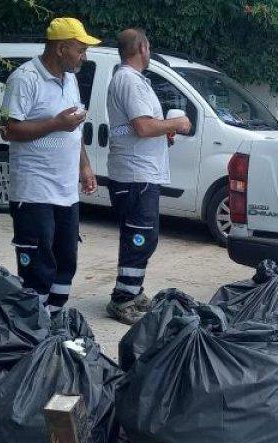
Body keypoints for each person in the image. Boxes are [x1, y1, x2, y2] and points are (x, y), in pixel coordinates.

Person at [0, 18, 100, 313]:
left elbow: (74, 130)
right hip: (34, 190)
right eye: (80, 50)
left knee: (66, 259)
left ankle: (55, 318)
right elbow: (8, 130)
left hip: (66, 190)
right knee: (38, 263)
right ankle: (34, 323)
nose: (84, 57)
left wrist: (85, 166)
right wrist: (56, 123)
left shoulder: (70, 80)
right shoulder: (24, 78)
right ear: (60, 48)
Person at [102, 28, 192, 324]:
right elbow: (142, 127)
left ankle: (132, 290)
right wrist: (176, 123)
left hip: (140, 172)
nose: (150, 53)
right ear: (141, 48)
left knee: (140, 234)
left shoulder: (134, 80)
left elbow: (139, 127)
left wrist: (163, 131)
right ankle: (122, 299)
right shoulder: (129, 80)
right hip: (134, 174)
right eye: (149, 48)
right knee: (141, 236)